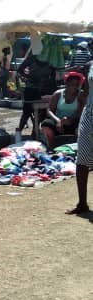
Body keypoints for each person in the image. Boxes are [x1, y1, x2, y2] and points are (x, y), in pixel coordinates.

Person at [67, 61, 93, 215]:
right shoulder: (91, 65)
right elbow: (85, 93)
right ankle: (82, 203)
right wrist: (75, 118)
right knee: (81, 160)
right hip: (89, 115)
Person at [40, 71, 83, 150]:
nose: (75, 87)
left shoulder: (80, 95)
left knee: (81, 125)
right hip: (58, 123)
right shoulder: (58, 94)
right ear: (66, 84)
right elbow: (49, 110)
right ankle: (52, 148)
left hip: (72, 122)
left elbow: (79, 112)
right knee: (46, 124)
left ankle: (78, 149)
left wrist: (70, 119)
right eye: (72, 84)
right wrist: (58, 120)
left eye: (77, 85)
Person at [16, 50, 57, 134]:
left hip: (43, 91)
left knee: (41, 113)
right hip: (30, 89)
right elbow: (19, 70)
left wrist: (53, 90)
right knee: (26, 112)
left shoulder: (50, 60)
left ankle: (35, 132)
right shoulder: (31, 59)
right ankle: (18, 132)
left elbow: (53, 78)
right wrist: (29, 77)